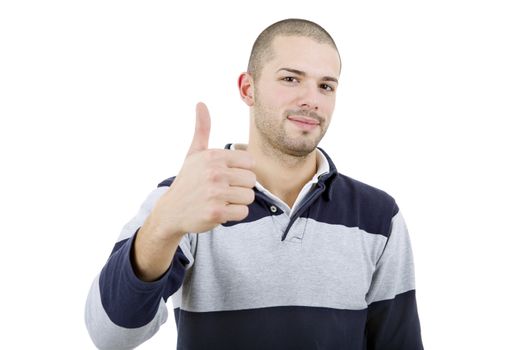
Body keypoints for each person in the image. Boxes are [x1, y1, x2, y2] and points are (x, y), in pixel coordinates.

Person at [85, 18, 424, 350]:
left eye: (326, 85)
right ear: (248, 89)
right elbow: (110, 337)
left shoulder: (379, 216)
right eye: (291, 78)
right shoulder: (190, 195)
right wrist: (164, 225)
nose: (312, 99)